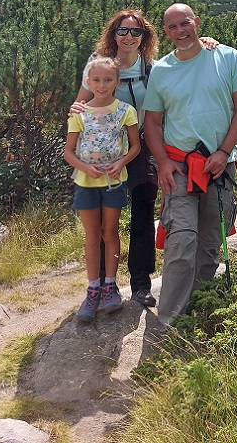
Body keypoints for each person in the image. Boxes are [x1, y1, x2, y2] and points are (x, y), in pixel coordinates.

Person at [69, 9, 218, 308]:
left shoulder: (153, 68)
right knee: (100, 220)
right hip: (104, 152)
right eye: (122, 31)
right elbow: (80, 103)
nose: (128, 37)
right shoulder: (98, 64)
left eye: (136, 32)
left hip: (142, 147)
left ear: (145, 37)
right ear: (113, 34)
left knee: (142, 212)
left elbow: (186, 57)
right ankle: (100, 284)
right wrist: (74, 115)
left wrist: (204, 42)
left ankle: (140, 283)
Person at [143, 3, 237, 325]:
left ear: (197, 23)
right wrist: (162, 162)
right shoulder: (162, 71)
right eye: (173, 26)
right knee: (181, 238)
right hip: (178, 166)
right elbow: (151, 122)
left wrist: (223, 152)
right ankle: (169, 322)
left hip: (220, 166)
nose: (181, 31)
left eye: (185, 23)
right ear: (166, 32)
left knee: (208, 241)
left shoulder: (227, 57)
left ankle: (199, 307)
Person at [64, 56, 140, 322]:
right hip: (86, 184)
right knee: (92, 236)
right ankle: (92, 289)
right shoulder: (79, 113)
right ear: (88, 81)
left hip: (114, 182)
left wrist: (121, 162)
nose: (102, 84)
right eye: (96, 80)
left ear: (117, 82)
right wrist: (84, 168)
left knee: (110, 232)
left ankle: (110, 286)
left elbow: (135, 147)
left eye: (108, 79)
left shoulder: (125, 111)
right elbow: (68, 152)